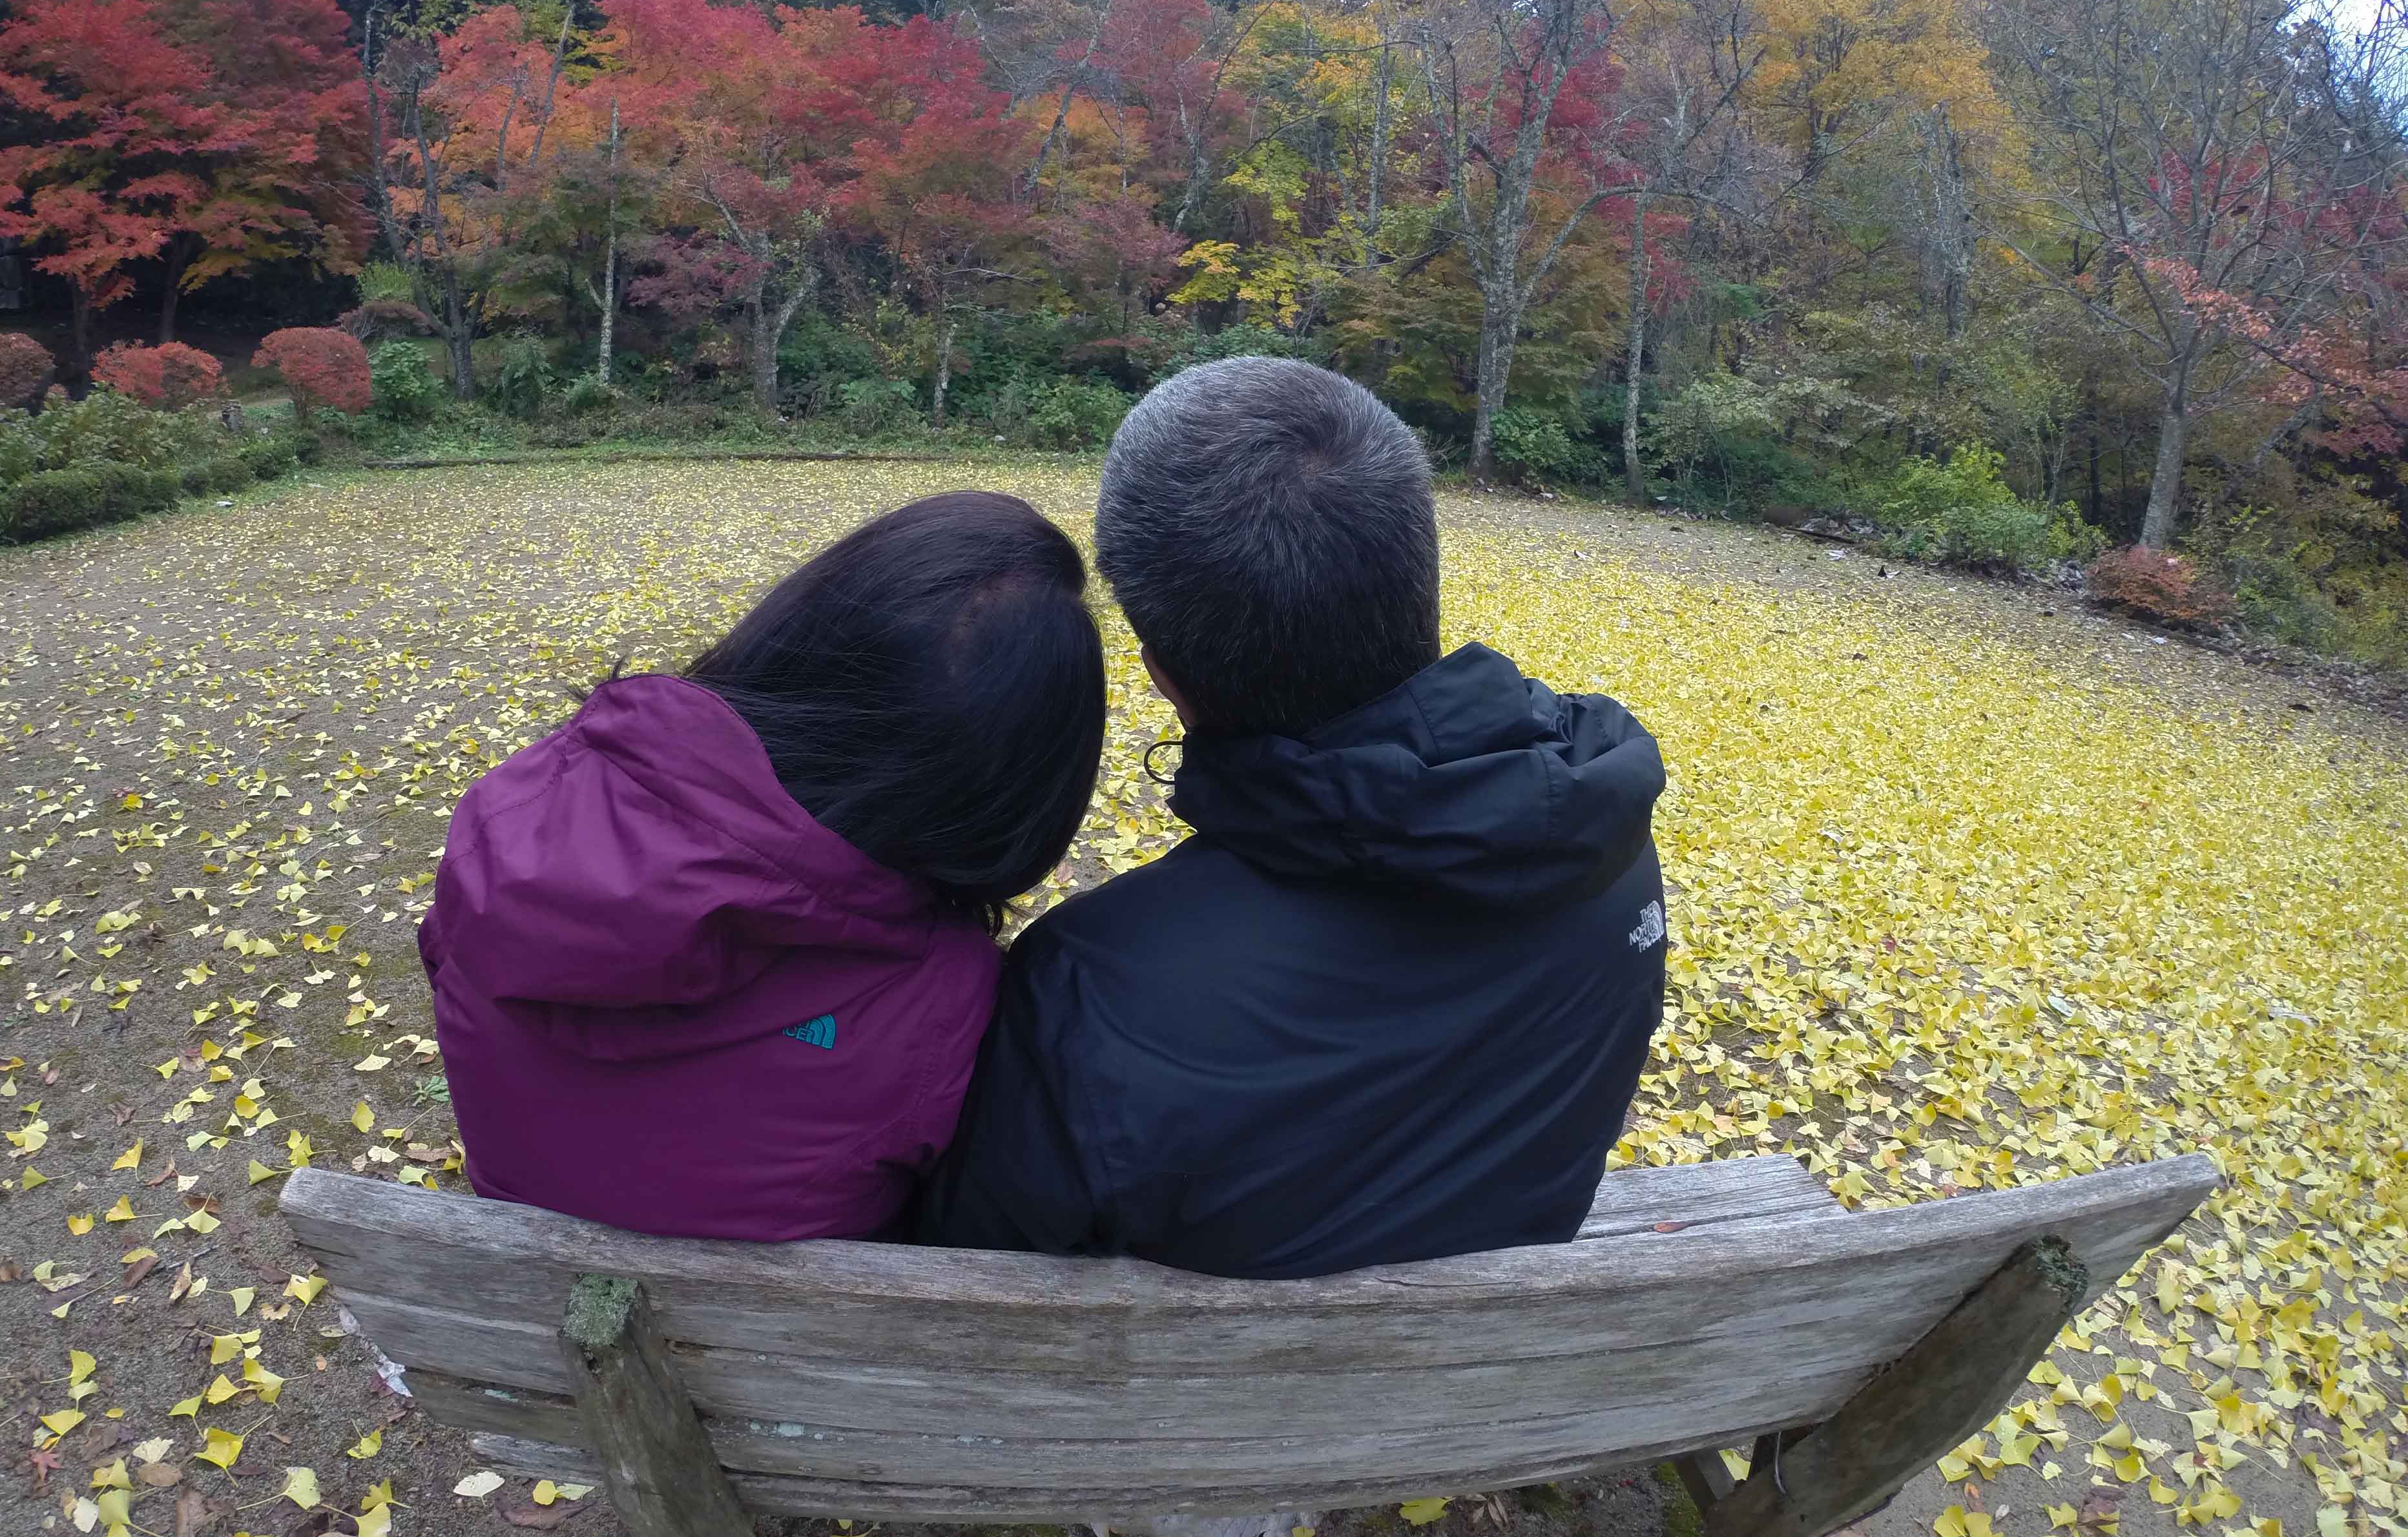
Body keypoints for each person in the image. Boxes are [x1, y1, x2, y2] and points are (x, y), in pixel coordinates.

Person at [917, 359, 1669, 1277]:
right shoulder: (1606, 835)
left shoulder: (1093, 990)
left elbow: (968, 1269)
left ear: (1162, 675)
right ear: (1415, 573)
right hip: (1495, 1382)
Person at [421, 491, 1106, 1241]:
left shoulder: (503, 827)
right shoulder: (946, 1002)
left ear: (795, 630)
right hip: (765, 1350)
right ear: (1009, 787)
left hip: (520, 1305)